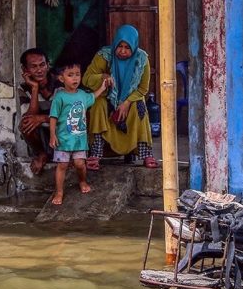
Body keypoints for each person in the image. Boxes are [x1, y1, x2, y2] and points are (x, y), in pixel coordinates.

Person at [82, 24, 159, 170]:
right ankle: (96, 153)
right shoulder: (104, 56)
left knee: (140, 106)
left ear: (134, 47)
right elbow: (86, 79)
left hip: (130, 100)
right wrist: (102, 77)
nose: (123, 51)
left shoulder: (141, 59)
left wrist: (126, 102)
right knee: (97, 104)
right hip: (107, 99)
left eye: (127, 47)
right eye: (120, 46)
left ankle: (146, 153)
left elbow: (143, 89)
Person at [49, 62, 108, 205]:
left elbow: (93, 97)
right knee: (62, 165)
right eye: (70, 75)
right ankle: (59, 192)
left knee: (80, 163)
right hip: (63, 139)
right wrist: (52, 135)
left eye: (77, 74)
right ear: (61, 79)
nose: (75, 78)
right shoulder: (59, 97)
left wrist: (103, 87)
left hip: (79, 140)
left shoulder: (82, 95)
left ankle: (82, 181)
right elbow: (53, 117)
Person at [18, 48, 57, 175]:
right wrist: (34, 88)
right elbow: (29, 118)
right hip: (42, 137)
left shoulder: (61, 82)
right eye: (33, 67)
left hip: (61, 133)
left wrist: (42, 118)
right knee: (25, 123)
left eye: (42, 65)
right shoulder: (23, 88)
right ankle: (42, 154)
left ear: (48, 65)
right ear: (25, 70)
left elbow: (69, 116)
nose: (39, 70)